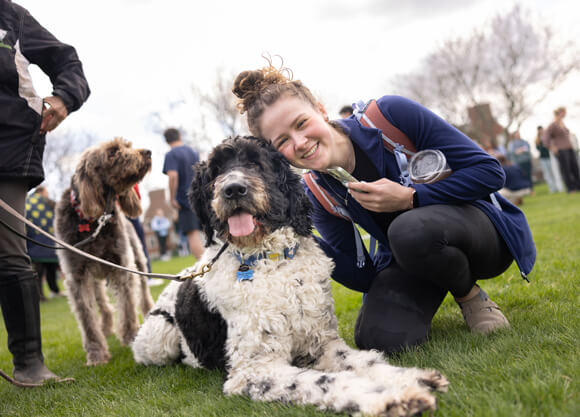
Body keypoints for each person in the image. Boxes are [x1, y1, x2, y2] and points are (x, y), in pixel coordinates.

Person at [231, 61, 536, 354]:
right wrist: (301, 238)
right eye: (282, 140)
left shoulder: (389, 116)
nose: (299, 142)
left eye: (302, 123)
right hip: (413, 254)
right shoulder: (317, 193)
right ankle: (439, 278)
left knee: (408, 230)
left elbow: (489, 171)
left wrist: (410, 197)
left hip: (482, 234)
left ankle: (470, 297)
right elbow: (364, 276)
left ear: (321, 111)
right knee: (377, 338)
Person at [0, 0, 90, 385]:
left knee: (8, 252)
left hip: (7, 150)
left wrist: (62, 99)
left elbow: (66, 61)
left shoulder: (10, 16)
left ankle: (29, 364)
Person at [162, 128, 204, 260]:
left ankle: (204, 269)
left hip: (186, 200)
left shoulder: (171, 154)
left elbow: (173, 176)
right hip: (201, 196)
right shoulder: (193, 151)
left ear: (166, 140)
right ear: (179, 136)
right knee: (210, 233)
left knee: (193, 234)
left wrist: (172, 198)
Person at [25, 186, 62, 300]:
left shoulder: (28, 202)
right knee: (42, 269)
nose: (48, 194)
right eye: (46, 192)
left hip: (35, 242)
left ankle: (46, 292)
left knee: (42, 269)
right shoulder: (43, 201)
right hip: (47, 241)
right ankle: (45, 293)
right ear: (40, 192)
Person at [543, 107, 580, 193]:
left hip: (569, 148)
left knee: (575, 168)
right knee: (566, 170)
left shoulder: (562, 123)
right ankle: (570, 188)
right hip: (561, 150)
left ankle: (578, 186)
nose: (565, 114)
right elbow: (545, 138)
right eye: (564, 112)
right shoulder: (552, 125)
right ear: (560, 113)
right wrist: (551, 147)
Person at [535, 126, 562, 193]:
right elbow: (537, 148)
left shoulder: (547, 137)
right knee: (547, 174)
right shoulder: (537, 139)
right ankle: (552, 188)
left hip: (550, 157)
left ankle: (558, 187)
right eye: (540, 130)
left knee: (553, 172)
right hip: (543, 158)